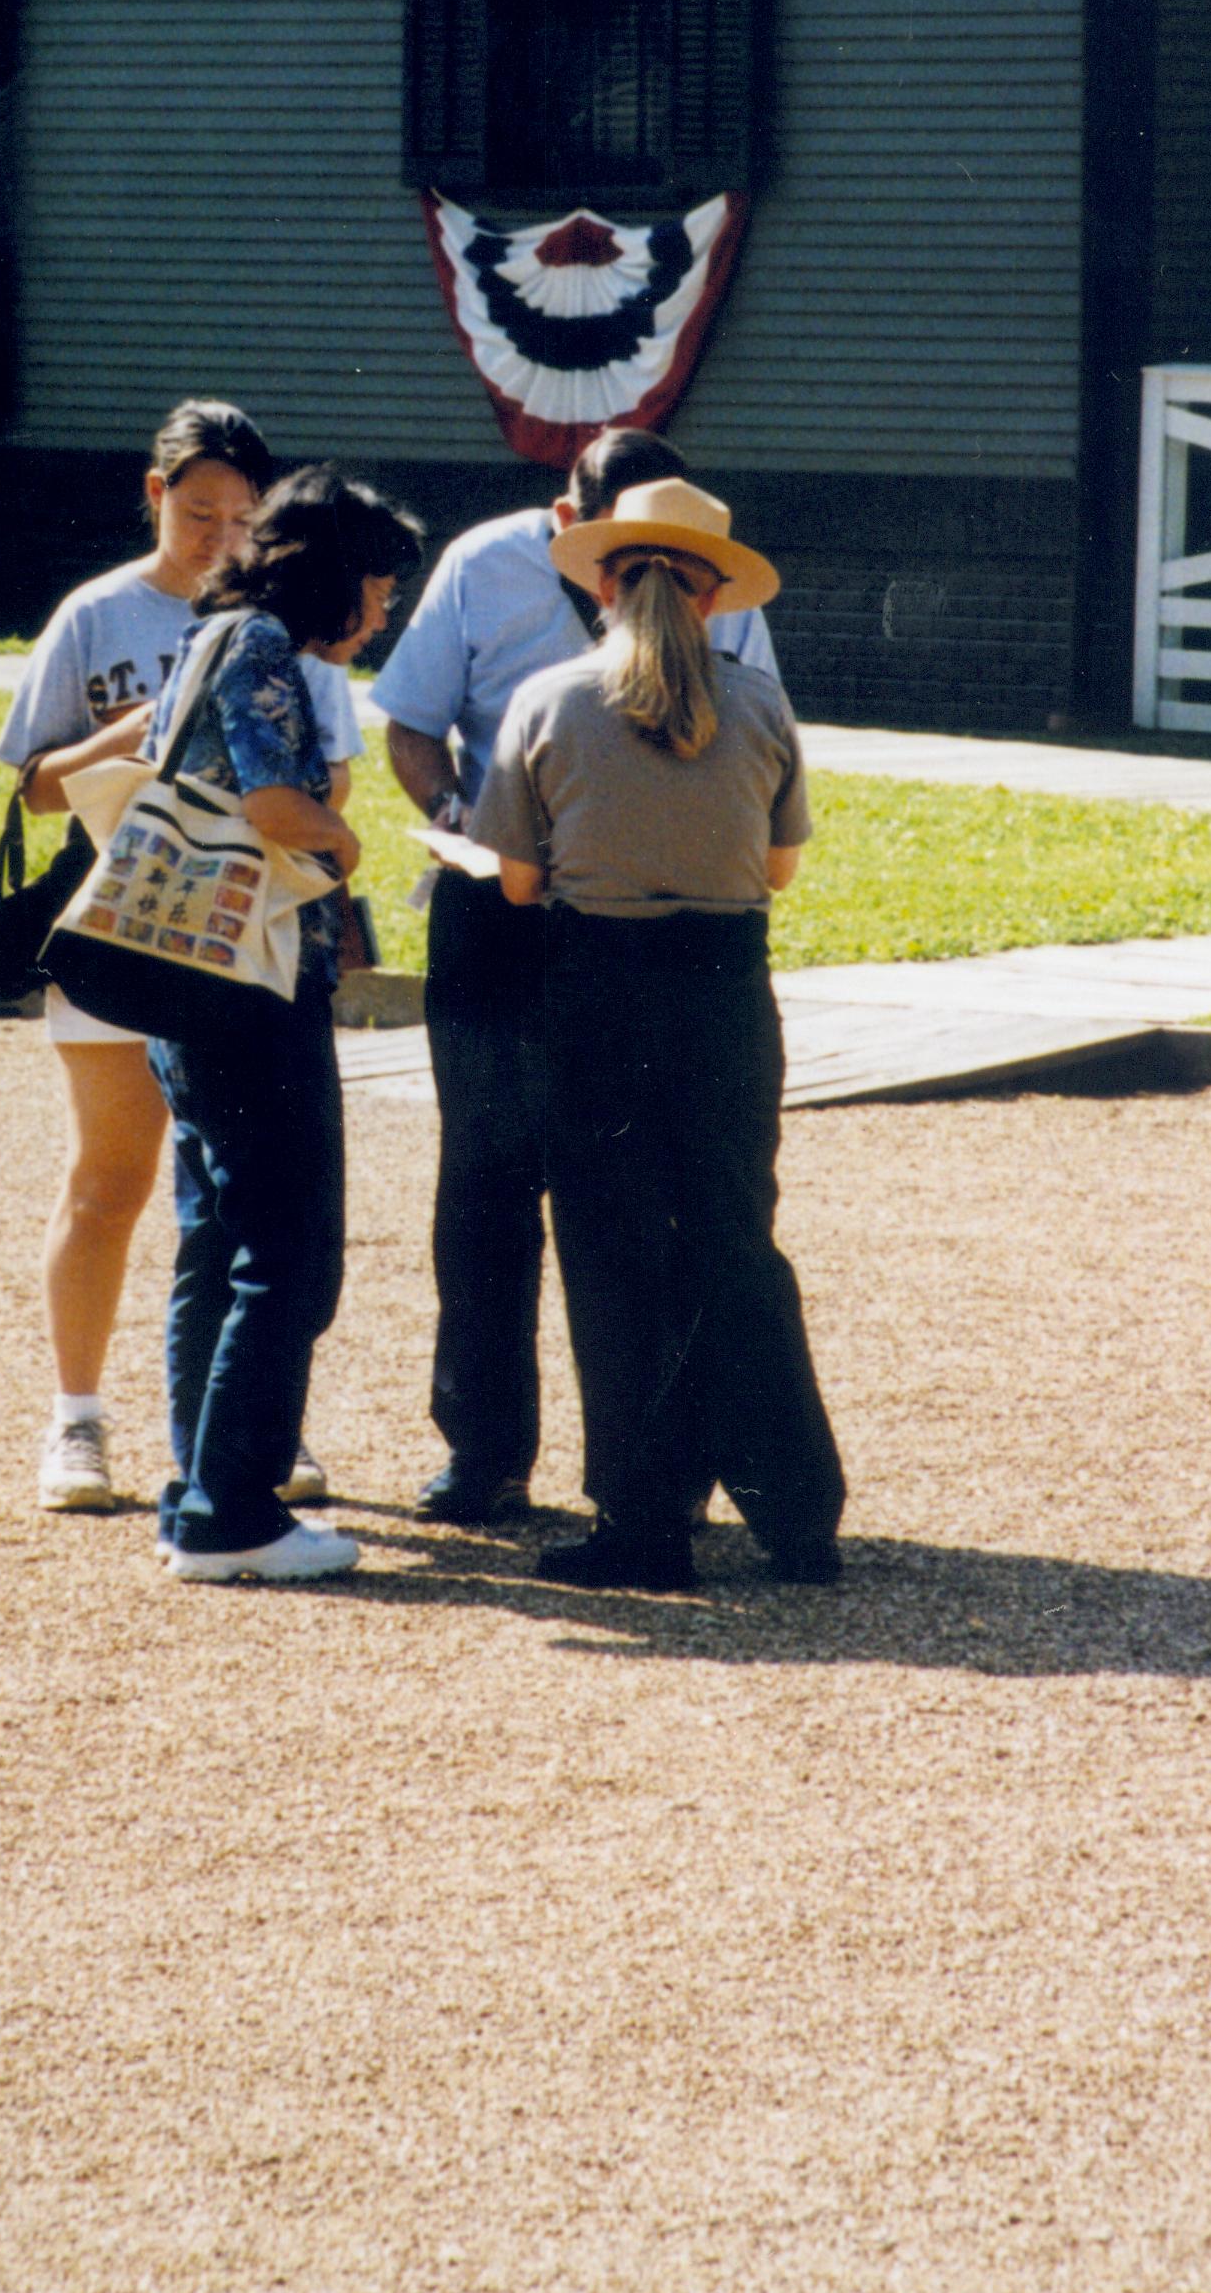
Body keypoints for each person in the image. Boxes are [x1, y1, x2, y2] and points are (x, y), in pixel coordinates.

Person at [371, 427, 783, 1523]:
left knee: (637, 1199)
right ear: (569, 519)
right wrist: (458, 814)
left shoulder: (717, 581)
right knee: (487, 1185)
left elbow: (753, 731)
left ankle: (662, 1472)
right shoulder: (479, 563)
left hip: (623, 927)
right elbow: (409, 726)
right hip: (496, 904)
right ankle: (486, 1451)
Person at [468, 477, 845, 1592]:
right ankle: (796, 1513)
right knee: (735, 1240)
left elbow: (521, 881)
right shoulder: (762, 707)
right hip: (725, 989)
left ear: (600, 580)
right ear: (716, 593)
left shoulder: (549, 701)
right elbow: (776, 869)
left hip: (599, 987)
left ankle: (645, 1517)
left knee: (613, 1252)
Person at [50, 465, 424, 1581]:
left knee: (215, 1243)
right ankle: (232, 1516)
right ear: (333, 577)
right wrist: (346, 848)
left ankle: (198, 1496)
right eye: (379, 586)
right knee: (288, 1253)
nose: (385, 609)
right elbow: (271, 803)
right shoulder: (264, 647)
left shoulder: (213, 634)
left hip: (183, 980)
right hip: (248, 987)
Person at [0, 401, 364, 1515]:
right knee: (111, 1180)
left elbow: (334, 783)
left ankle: (229, 1433)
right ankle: (76, 1422)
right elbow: (35, 778)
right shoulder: (97, 612)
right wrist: (155, 726)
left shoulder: (290, 621)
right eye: (197, 510)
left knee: (229, 1202)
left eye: (241, 518)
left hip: (237, 940)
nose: (218, 535)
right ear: (154, 498)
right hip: (121, 924)